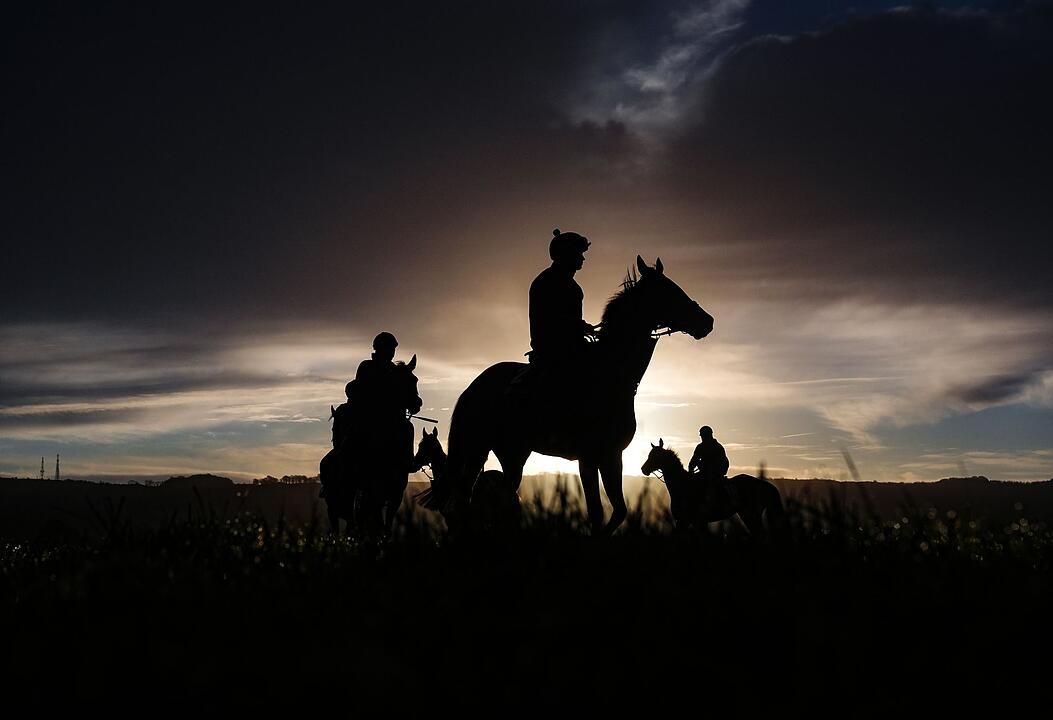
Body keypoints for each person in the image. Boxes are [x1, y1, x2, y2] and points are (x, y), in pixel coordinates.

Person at [527, 228, 597, 371]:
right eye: (579, 253)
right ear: (568, 254)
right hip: (553, 351)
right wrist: (581, 327)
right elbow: (551, 318)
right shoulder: (545, 282)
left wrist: (582, 327)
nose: (583, 258)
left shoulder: (573, 287)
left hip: (573, 347)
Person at [352, 332, 416, 472]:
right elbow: (357, 389)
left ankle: (408, 461)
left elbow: (403, 392)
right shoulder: (367, 366)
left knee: (407, 427)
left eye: (393, 349)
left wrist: (413, 402)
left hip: (392, 419)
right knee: (354, 438)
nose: (392, 352)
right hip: (369, 417)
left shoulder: (396, 370)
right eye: (389, 348)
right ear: (379, 349)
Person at [688, 425, 729, 506]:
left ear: (709, 435)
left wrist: (713, 470)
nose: (702, 438)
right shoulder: (700, 447)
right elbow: (693, 461)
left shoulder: (717, 447)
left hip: (715, 474)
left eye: (704, 436)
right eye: (702, 436)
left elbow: (723, 463)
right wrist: (690, 472)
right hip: (704, 473)